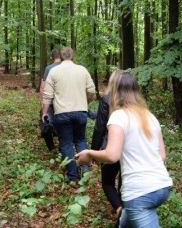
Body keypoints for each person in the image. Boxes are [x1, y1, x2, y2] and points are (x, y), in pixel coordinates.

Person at [76, 72, 173, 228]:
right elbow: (161, 156)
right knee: (124, 223)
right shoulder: (149, 116)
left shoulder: (119, 117)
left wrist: (89, 153)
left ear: (113, 91)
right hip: (162, 186)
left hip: (140, 194)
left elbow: (112, 155)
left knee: (134, 209)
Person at [41, 47, 96, 182]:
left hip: (62, 113)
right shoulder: (82, 70)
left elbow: (47, 95)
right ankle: (84, 171)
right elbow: (92, 91)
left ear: (61, 56)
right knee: (80, 140)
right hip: (81, 112)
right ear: (73, 56)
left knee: (65, 144)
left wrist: (44, 112)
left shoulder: (53, 71)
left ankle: (72, 176)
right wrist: (85, 102)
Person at [90, 69, 124, 221]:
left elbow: (100, 128)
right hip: (129, 149)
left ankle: (119, 209)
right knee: (125, 183)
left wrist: (94, 151)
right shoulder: (135, 102)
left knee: (107, 182)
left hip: (111, 146)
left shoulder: (106, 99)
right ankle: (124, 209)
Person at [38, 48, 62, 151]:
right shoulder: (67, 67)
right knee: (63, 124)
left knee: (45, 122)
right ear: (60, 56)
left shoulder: (49, 68)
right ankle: (63, 148)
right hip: (64, 102)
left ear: (51, 58)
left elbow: (43, 87)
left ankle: (51, 147)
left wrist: (42, 103)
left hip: (51, 101)